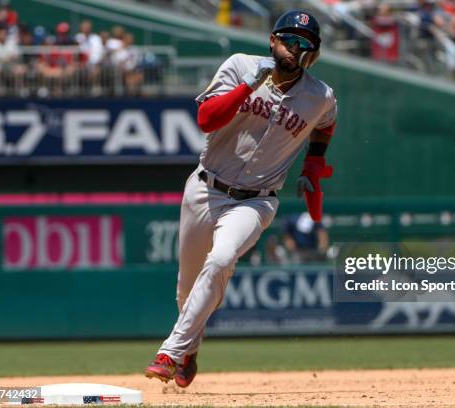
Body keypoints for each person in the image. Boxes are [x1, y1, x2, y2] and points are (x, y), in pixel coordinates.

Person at [144, 10, 337, 388]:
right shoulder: (240, 65)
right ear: (272, 40)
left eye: (304, 44)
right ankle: (190, 349)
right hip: (205, 187)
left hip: (257, 200)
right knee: (186, 287)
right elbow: (206, 119)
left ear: (311, 54)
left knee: (221, 258)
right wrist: (248, 85)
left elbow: (328, 121)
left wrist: (314, 164)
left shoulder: (319, 96)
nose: (293, 47)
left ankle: (170, 351)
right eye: (288, 39)